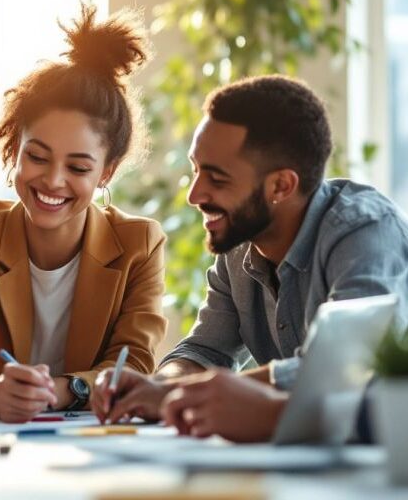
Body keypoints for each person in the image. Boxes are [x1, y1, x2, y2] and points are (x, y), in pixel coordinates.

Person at [93, 75, 408, 441]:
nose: (194, 195)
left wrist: (184, 393)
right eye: (196, 169)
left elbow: (348, 367)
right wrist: (159, 385)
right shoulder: (243, 241)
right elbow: (203, 350)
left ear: (281, 186)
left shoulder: (364, 231)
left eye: (217, 178)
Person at [0, 5, 167, 423]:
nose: (53, 181)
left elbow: (133, 365)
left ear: (106, 171)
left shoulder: (139, 245)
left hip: (91, 444)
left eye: (77, 168)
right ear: (14, 146)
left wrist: (64, 390)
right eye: (37, 156)